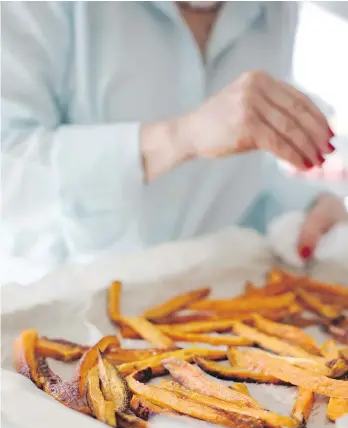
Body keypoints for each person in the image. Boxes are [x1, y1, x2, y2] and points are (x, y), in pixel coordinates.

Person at [2, 1, 347, 275]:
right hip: (56, 316)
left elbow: (230, 179)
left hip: (217, 304)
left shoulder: (277, 8)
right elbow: (11, 176)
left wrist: (297, 207)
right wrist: (178, 137)